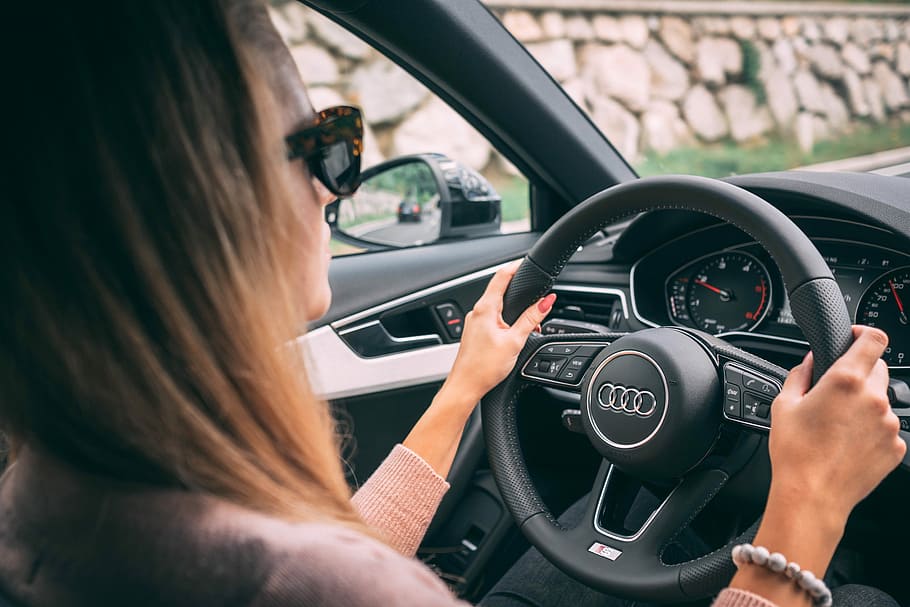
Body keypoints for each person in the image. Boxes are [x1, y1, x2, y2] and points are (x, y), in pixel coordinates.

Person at [0, 2, 902, 606]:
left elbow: (339, 548)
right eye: (329, 148)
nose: (334, 190)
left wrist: (461, 391)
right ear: (209, 197)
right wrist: (804, 511)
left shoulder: (44, 495)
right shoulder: (319, 583)